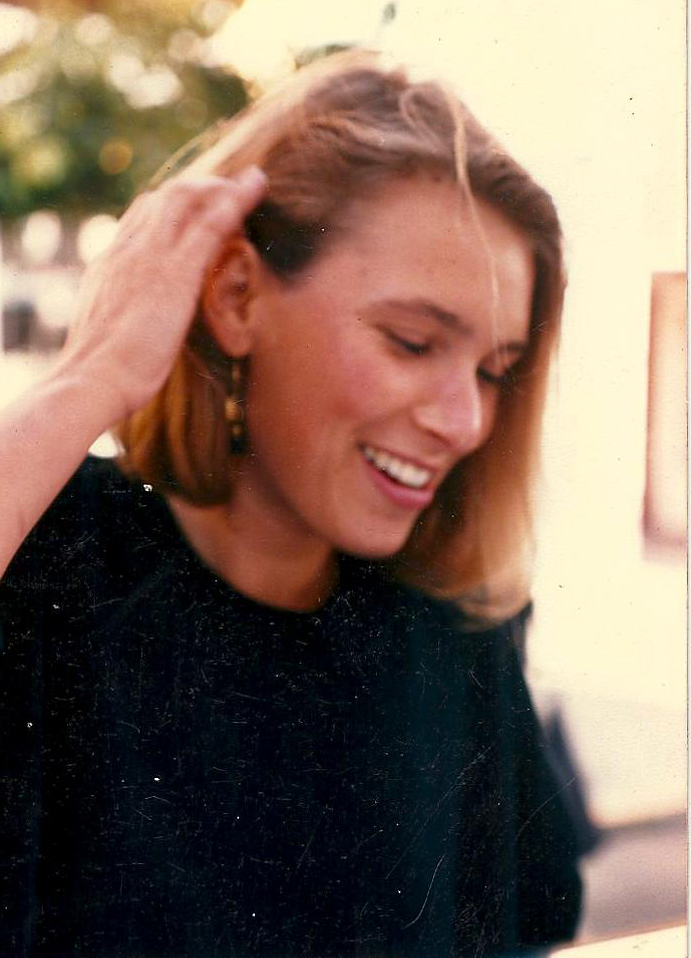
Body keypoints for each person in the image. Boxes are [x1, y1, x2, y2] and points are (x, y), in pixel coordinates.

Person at [0, 50, 582, 957]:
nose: (464, 420)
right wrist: (90, 379)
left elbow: (528, 918)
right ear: (236, 296)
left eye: (493, 370)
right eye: (411, 341)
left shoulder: (447, 624)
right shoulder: (52, 555)